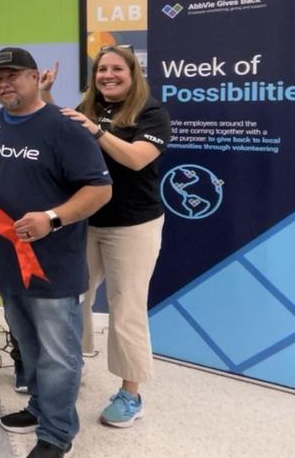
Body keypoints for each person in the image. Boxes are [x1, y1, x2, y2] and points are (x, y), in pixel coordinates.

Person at [0, 46, 112, 458]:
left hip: (51, 264)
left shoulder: (64, 127)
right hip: (4, 260)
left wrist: (52, 217)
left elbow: (100, 189)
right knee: (27, 346)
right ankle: (38, 406)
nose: (4, 84)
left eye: (14, 75)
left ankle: (56, 432)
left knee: (57, 352)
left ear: (35, 77)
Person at [63, 46, 171, 429]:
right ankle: (71, 368)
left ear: (133, 72)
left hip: (133, 224)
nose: (108, 75)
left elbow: (137, 158)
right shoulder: (90, 107)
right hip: (88, 220)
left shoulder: (151, 112)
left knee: (126, 307)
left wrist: (96, 131)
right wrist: (44, 99)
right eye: (101, 69)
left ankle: (131, 394)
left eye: (116, 68)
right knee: (75, 297)